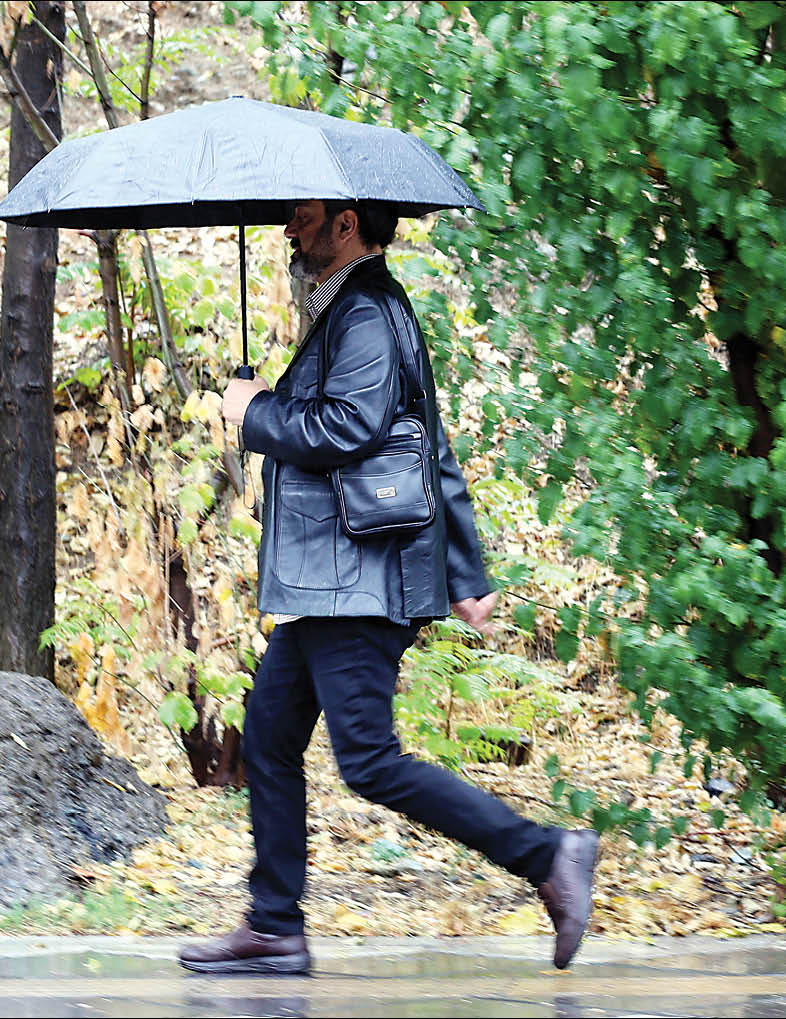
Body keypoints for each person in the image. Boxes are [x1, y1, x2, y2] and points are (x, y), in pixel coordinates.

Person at [181, 199, 599, 975]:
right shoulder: (363, 307)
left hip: (357, 576)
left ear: (346, 224)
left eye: (303, 216)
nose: (288, 230)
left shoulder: (366, 313)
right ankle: (274, 925)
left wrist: (254, 411)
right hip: (339, 577)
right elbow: (429, 445)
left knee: (369, 761)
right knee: (268, 735)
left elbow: (346, 428)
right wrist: (465, 572)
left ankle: (548, 854)